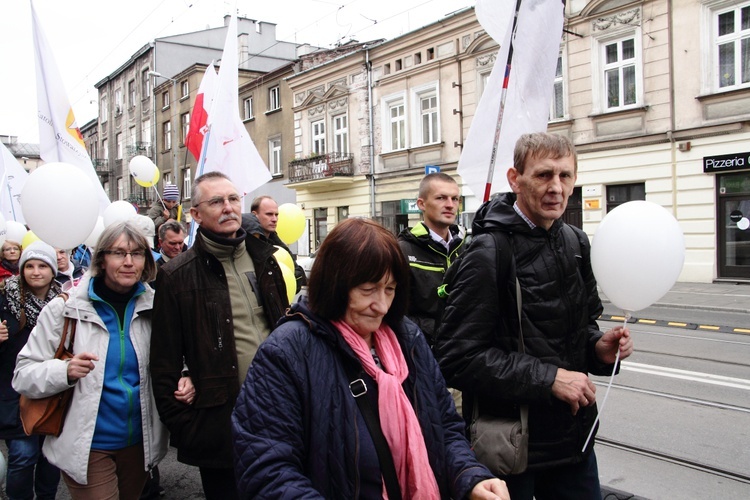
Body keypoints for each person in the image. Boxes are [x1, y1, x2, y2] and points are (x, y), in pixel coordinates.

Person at [232, 218, 509, 499]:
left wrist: (470, 477)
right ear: (334, 284)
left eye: (390, 289)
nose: (381, 305)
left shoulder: (407, 338)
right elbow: (266, 469)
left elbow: (445, 428)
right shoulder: (286, 351)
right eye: (368, 290)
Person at [435, 132, 634, 500]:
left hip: (573, 441)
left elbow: (582, 328)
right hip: (511, 450)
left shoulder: (576, 243)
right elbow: (455, 357)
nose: (556, 187)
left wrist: (599, 349)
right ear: (515, 179)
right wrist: (548, 380)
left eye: (565, 176)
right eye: (544, 175)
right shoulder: (487, 251)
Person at [151, 172, 289, 500]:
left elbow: (284, 329)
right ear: (195, 214)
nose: (228, 208)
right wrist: (188, 428)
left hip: (279, 412)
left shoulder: (265, 260)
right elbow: (164, 362)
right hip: (221, 425)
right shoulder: (177, 275)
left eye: (232, 199)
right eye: (216, 201)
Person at [12, 222, 170, 500]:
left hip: (139, 444)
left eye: (137, 253)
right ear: (101, 259)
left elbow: (173, 359)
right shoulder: (67, 308)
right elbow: (23, 374)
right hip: (87, 446)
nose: (129, 262)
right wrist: (65, 371)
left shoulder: (155, 306)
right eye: (119, 253)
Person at [0, 241, 62, 500]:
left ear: (52, 270)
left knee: (51, 457)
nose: (36, 272)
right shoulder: (4, 300)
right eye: (30, 266)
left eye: (42, 266)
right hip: (14, 391)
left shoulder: (64, 302)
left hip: (53, 389)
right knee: (23, 457)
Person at [397, 172, 465, 345]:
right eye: (441, 198)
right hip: (421, 351)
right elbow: (396, 314)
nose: (450, 205)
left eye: (455, 199)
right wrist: (440, 329)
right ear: (422, 204)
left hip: (463, 352)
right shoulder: (402, 251)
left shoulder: (465, 249)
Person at [244, 195, 306, 293]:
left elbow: (297, 274)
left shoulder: (278, 244)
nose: (274, 219)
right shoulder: (244, 244)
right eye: (269, 214)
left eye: (276, 214)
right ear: (254, 215)